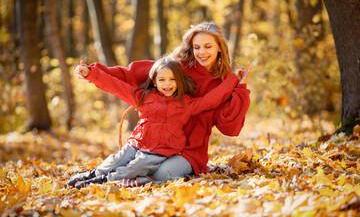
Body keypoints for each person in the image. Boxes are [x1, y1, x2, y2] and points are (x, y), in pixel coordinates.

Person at [74, 21, 252, 187]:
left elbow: (229, 127)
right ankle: (100, 176)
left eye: (208, 46)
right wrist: (93, 73)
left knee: (162, 172)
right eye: (197, 47)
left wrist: (240, 86)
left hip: (190, 150)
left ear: (220, 47)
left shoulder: (225, 82)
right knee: (127, 159)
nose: (201, 52)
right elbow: (131, 76)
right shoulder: (175, 68)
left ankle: (133, 179)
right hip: (153, 144)